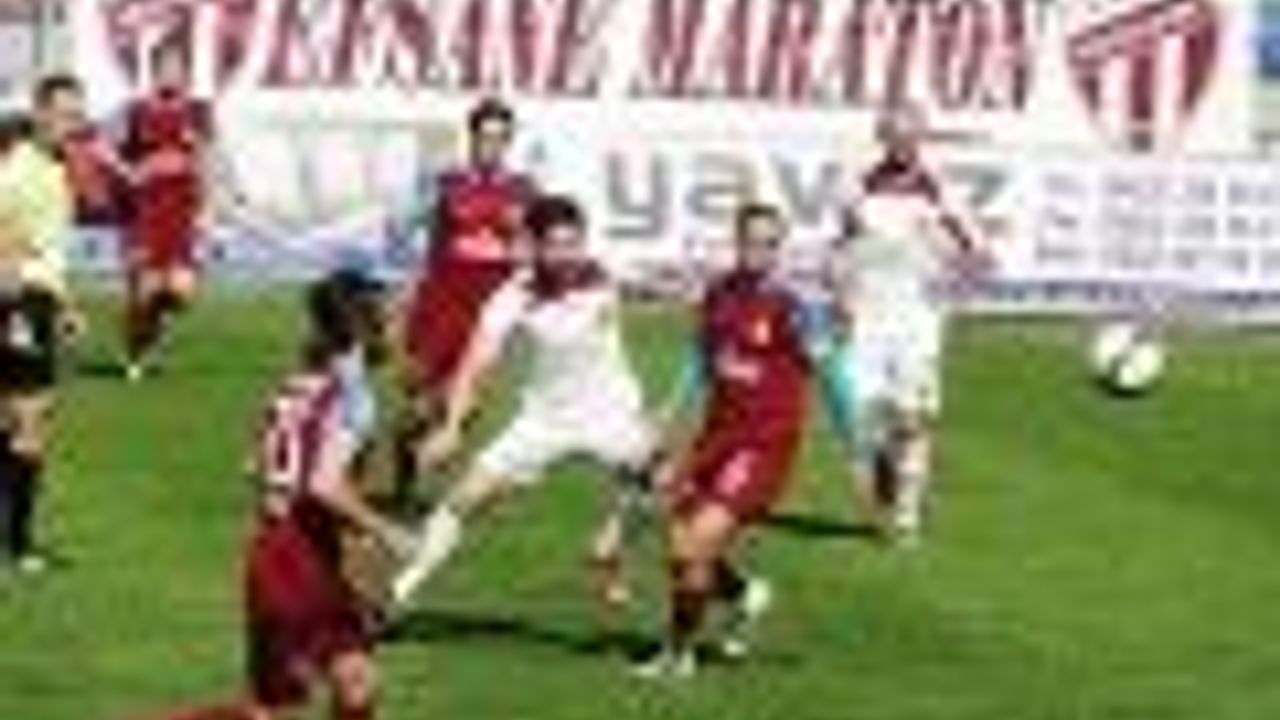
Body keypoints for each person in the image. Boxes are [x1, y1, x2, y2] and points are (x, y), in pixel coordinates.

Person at [162, 267, 413, 720]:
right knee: (286, 706)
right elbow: (323, 484)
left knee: (354, 683)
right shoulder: (353, 397)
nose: (401, 331)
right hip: (295, 559)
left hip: (281, 551)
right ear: (364, 329)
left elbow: (257, 466)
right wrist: (387, 530)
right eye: (393, 319)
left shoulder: (301, 380)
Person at [391, 195, 658, 612]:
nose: (566, 255)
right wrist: (452, 427)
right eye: (555, 245)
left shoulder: (603, 274)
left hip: (611, 414)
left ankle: (615, 549)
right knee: (462, 500)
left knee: (665, 483)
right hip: (544, 421)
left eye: (574, 243)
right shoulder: (513, 295)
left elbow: (661, 287)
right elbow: (476, 364)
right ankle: (396, 593)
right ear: (534, 246)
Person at [637, 203, 813, 678]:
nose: (761, 251)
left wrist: (859, 442)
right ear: (737, 242)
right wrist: (668, 413)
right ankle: (746, 595)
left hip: (764, 445)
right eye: (753, 241)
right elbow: (701, 360)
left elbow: (830, 371)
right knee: (678, 551)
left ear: (780, 249)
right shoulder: (718, 293)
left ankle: (678, 654)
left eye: (771, 244)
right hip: (716, 437)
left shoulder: (790, 307)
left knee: (696, 544)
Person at [833, 102, 991, 544]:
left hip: (916, 321)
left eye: (911, 136)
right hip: (868, 317)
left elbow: (980, 253)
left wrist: (952, 287)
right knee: (861, 418)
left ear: (922, 139)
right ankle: (885, 458)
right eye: (895, 135)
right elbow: (844, 247)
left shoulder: (941, 190)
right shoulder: (857, 188)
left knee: (914, 417)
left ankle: (906, 516)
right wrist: (841, 295)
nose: (904, 144)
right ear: (882, 138)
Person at [393, 98, 536, 503]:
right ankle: (406, 484)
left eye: (501, 138)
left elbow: (532, 247)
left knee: (465, 405)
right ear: (471, 138)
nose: (492, 146)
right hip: (439, 306)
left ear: (509, 142)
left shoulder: (523, 191)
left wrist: (526, 281)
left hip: (487, 313)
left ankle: (426, 477)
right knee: (418, 405)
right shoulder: (445, 183)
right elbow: (402, 227)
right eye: (485, 137)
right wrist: (406, 281)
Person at [0, 76, 85, 574]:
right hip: (20, 303)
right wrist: (14, 307)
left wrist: (65, 305)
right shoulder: (19, 168)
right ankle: (19, 546)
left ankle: (14, 539)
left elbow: (49, 248)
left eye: (76, 114)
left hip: (38, 300)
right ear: (38, 113)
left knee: (17, 418)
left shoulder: (55, 167)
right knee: (32, 420)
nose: (70, 123)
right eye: (62, 113)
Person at [117, 41, 215, 381]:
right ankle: (134, 357)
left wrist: (207, 211)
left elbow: (206, 161)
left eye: (176, 67)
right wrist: (134, 172)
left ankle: (155, 322)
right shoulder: (136, 111)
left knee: (181, 293)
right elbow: (112, 154)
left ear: (186, 72)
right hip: (145, 211)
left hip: (182, 211)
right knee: (143, 292)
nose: (169, 74)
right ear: (153, 71)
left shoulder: (199, 111)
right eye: (163, 67)